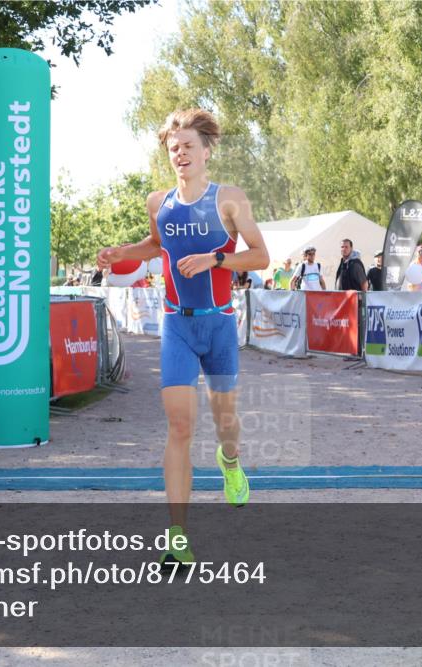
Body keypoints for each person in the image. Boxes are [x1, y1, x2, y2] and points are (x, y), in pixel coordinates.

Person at [96, 108, 269, 563]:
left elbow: (260, 256)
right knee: (179, 426)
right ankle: (178, 538)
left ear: (206, 151)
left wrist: (217, 260)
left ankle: (230, 462)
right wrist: (120, 253)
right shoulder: (159, 202)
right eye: (174, 148)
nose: (181, 154)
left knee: (225, 425)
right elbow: (157, 246)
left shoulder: (229, 199)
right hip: (177, 325)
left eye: (189, 146)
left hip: (219, 325)